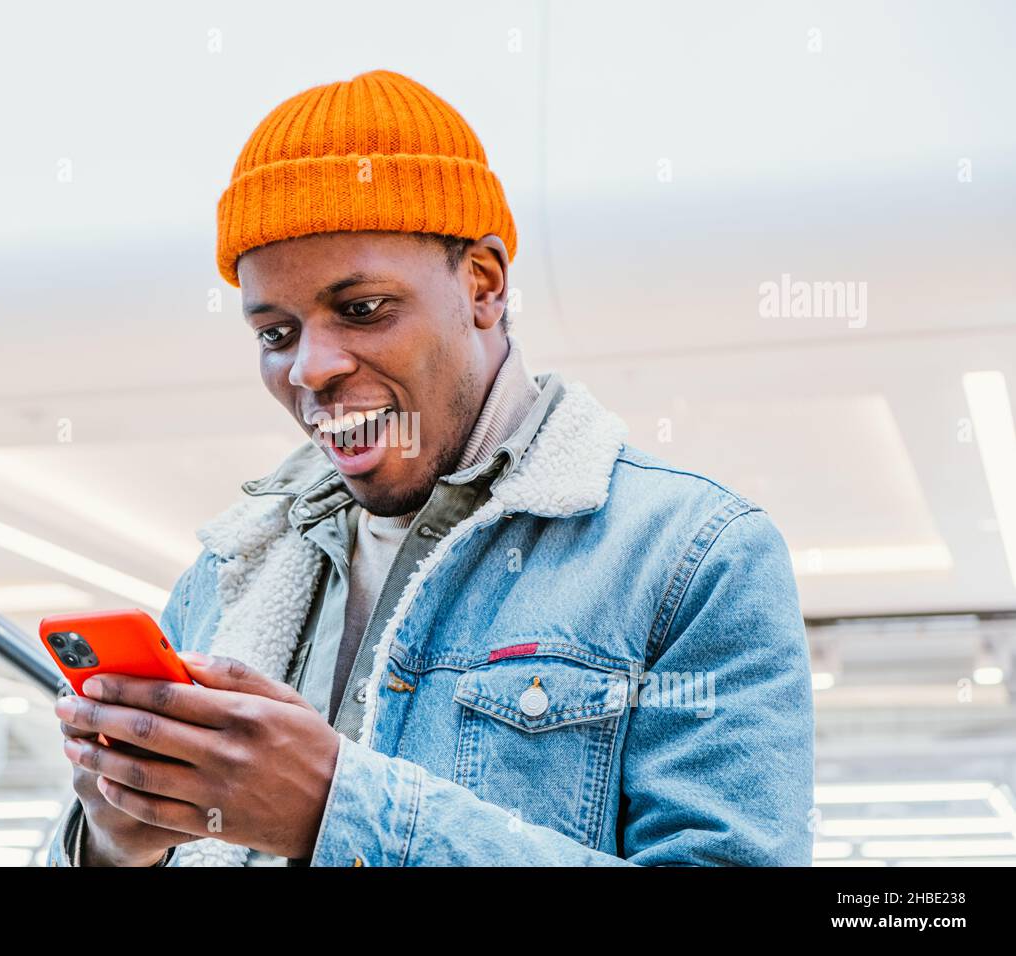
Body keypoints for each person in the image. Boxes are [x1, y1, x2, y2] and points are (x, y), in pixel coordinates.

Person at [47, 68, 814, 867]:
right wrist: (111, 844)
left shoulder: (693, 557)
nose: (310, 368)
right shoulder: (224, 572)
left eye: (361, 310)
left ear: (482, 285)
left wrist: (336, 812)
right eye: (275, 332)